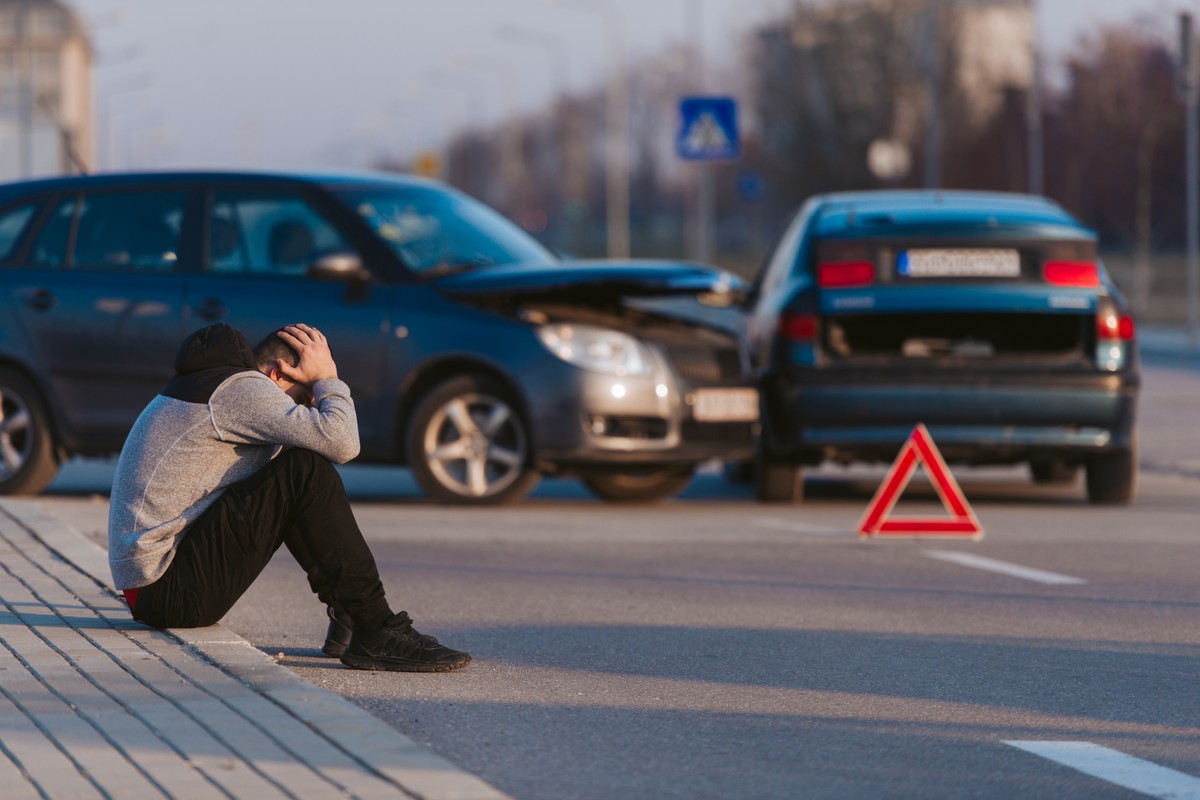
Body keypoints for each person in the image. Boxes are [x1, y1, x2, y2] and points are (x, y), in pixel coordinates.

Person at [107, 322, 470, 672]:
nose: (305, 409)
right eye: (301, 398)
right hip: (167, 591)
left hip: (155, 587)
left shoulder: (213, 385)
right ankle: (375, 627)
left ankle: (351, 617)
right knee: (304, 470)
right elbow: (344, 443)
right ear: (277, 373)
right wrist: (328, 379)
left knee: (296, 463)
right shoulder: (242, 390)